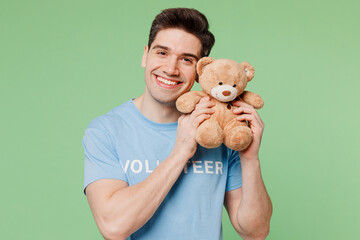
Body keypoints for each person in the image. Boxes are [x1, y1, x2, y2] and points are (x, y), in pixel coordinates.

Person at [83, 8, 272, 240]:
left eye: (186, 59)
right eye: (162, 52)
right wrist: (181, 152)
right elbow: (114, 227)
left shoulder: (221, 129)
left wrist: (250, 159)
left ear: (200, 70)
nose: (171, 69)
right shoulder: (105, 131)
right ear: (145, 55)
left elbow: (256, 232)